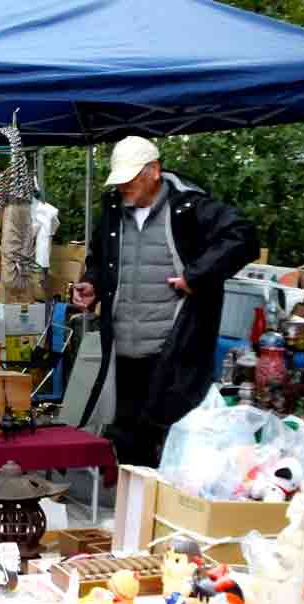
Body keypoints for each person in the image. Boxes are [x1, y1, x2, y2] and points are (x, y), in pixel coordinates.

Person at [73, 136, 258, 466]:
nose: (124, 187)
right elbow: (100, 260)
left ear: (154, 171)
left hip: (174, 348)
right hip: (124, 349)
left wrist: (196, 276)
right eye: (121, 180)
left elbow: (243, 237)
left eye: (131, 179)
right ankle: (133, 512)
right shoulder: (114, 212)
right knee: (128, 442)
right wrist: (91, 284)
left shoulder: (191, 207)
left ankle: (165, 511)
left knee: (171, 440)